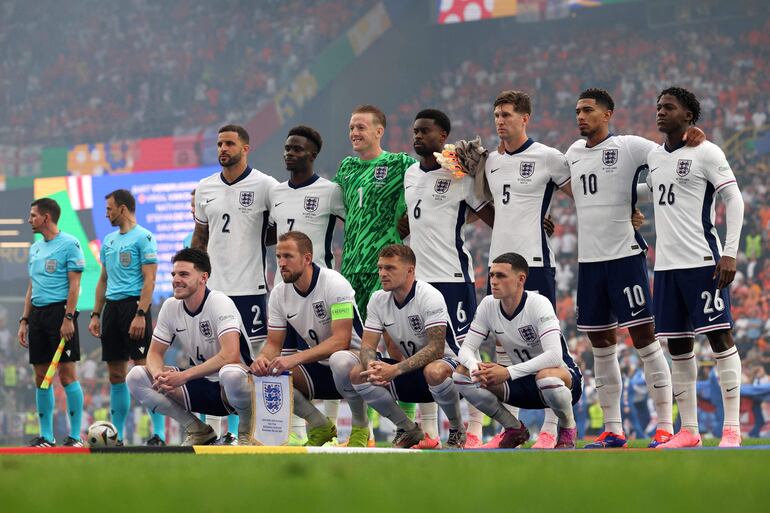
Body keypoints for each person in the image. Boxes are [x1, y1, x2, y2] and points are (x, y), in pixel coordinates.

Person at [565, 88, 704, 449]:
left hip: (625, 259)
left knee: (645, 341)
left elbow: (669, 165)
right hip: (590, 264)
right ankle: (613, 429)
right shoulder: (573, 153)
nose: (581, 116)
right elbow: (581, 192)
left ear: (608, 114)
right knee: (601, 347)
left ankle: (663, 426)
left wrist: (691, 138)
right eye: (578, 110)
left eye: (588, 110)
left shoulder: (630, 147)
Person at [643, 87, 744, 448]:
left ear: (688, 116)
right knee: (679, 347)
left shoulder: (707, 151)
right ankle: (690, 431)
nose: (660, 112)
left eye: (668, 107)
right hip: (666, 267)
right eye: (658, 106)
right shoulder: (654, 157)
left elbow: (734, 198)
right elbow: (651, 191)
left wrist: (729, 252)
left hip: (703, 261)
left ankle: (732, 428)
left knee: (720, 338)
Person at [483, 90, 573, 447]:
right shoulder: (488, 161)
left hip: (535, 263)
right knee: (504, 345)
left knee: (546, 345)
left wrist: (631, 208)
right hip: (498, 264)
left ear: (525, 119)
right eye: (496, 115)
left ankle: (553, 427)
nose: (500, 121)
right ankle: (513, 428)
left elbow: (584, 196)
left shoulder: (549, 157)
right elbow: (484, 206)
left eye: (506, 114)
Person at [404, 108, 494, 448]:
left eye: (425, 131)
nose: (417, 136)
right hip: (418, 284)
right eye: (415, 130)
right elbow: (415, 218)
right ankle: (429, 433)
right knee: (424, 355)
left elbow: (489, 214)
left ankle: (475, 430)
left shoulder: (459, 173)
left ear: (443, 137)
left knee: (463, 354)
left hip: (453, 278)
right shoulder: (410, 175)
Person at [333, 105, 419, 436]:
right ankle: (360, 428)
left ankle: (408, 421)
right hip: (349, 270)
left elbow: (429, 182)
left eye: (361, 127)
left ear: (379, 130)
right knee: (348, 349)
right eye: (351, 127)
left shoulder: (399, 163)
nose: (354, 132)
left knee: (395, 343)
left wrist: (408, 222)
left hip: (386, 268)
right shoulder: (346, 167)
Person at [192, 124, 278, 443]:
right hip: (214, 291)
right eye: (219, 144)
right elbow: (201, 236)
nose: (222, 149)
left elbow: (277, 230)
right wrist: (192, 275)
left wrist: (252, 237)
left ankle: (258, 430)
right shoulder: (205, 188)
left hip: (251, 289)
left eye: (229, 143)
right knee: (212, 362)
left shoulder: (266, 185)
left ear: (246, 148)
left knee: (254, 361)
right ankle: (217, 432)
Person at [126, 248, 257, 446]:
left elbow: (231, 355)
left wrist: (184, 376)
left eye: (184, 274)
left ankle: (247, 434)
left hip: (236, 390)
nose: (176, 279)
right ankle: (198, 430)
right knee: (136, 376)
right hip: (203, 386)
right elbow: (153, 353)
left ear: (203, 278)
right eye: (174, 274)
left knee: (230, 373)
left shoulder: (219, 302)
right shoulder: (170, 306)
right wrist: (158, 375)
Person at [453, 253, 583, 449]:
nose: (493, 282)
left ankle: (567, 429)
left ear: (521, 279)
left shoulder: (539, 304)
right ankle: (514, 429)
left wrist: (507, 372)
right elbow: (466, 350)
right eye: (491, 275)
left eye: (501, 276)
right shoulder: (488, 305)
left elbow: (554, 356)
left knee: (546, 376)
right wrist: (474, 368)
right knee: (462, 375)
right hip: (520, 383)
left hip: (562, 382)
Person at [250, 232, 369, 446]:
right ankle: (320, 426)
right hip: (319, 367)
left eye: (288, 256)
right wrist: (262, 360)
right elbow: (273, 344)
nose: (281, 263)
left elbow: (341, 341)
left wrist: (295, 358)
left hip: (356, 364)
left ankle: (361, 428)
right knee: (271, 374)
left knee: (339, 360)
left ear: (307, 258)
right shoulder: (278, 294)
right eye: (278, 257)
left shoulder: (334, 283)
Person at [344, 244, 466, 449]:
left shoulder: (429, 295)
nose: (382, 273)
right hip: (411, 371)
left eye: (390, 268)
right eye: (380, 267)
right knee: (358, 372)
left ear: (410, 270)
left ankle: (457, 429)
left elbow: (436, 349)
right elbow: (367, 346)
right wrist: (371, 365)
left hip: (448, 369)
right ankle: (408, 429)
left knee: (434, 371)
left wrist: (395, 369)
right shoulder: (377, 299)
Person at [269, 125, 346, 444]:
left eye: (297, 149)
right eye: (287, 148)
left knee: (331, 361)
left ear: (312, 155)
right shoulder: (275, 192)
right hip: (283, 290)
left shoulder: (330, 191)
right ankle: (302, 434)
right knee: (283, 360)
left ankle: (344, 429)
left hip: (322, 289)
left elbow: (352, 229)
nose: (290, 153)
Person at [87, 189, 163, 446]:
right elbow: (103, 279)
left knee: (144, 371)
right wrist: (96, 314)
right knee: (116, 374)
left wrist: (141, 313)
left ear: (123, 208)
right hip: (112, 310)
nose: (106, 213)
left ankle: (159, 434)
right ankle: (114, 436)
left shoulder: (144, 237)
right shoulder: (108, 241)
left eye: (109, 209)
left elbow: (149, 279)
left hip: (134, 308)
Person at [18, 198, 85, 447]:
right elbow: (31, 287)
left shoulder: (70, 244)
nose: (29, 220)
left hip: (60, 314)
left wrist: (68, 318)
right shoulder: (35, 248)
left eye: (33, 215)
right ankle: (47, 437)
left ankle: (76, 437)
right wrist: (24, 320)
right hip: (37, 315)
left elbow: (75, 285)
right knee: (40, 376)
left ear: (46, 217)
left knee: (67, 375)